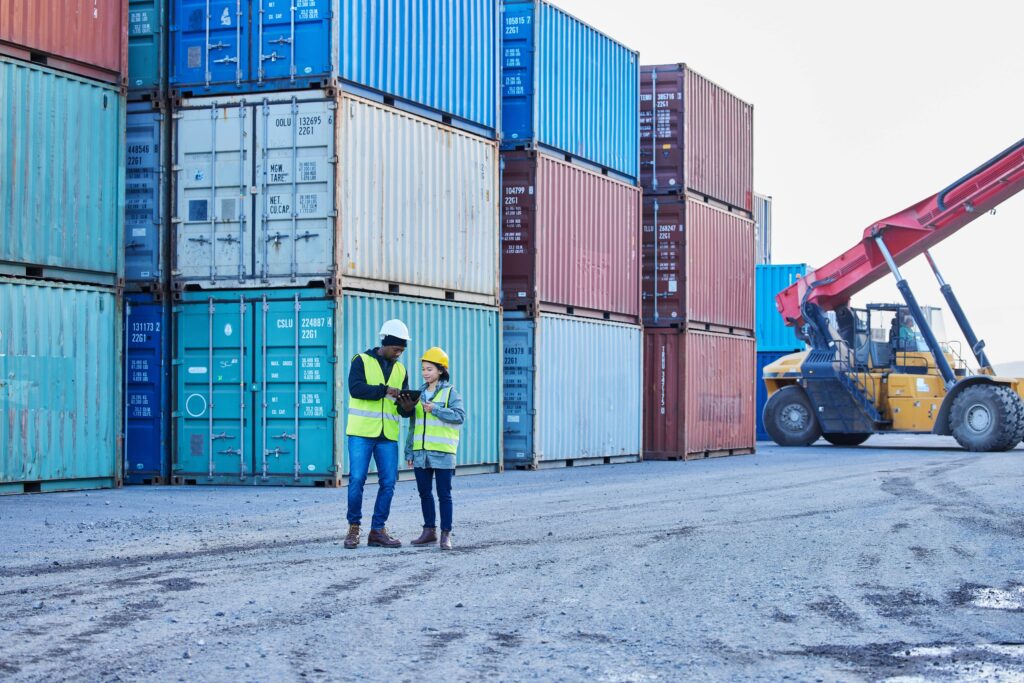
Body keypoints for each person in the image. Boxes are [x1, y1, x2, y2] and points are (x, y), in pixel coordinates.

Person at [344, 319, 417, 550]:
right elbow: (355, 389)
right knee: (356, 479)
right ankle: (354, 528)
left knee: (388, 482)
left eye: (402, 351)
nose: (399, 354)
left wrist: (407, 408)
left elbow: (399, 408)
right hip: (361, 433)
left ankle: (377, 530)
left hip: (388, 435)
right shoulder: (360, 360)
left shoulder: (401, 369)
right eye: (396, 349)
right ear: (385, 343)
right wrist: (384, 390)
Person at [406, 347, 465, 551]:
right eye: (423, 369)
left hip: (443, 453)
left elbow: (459, 416)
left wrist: (436, 410)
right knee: (424, 493)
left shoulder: (451, 392)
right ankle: (429, 531)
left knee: (444, 494)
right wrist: (410, 451)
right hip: (421, 453)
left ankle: (445, 534)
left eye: (429, 369)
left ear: (441, 370)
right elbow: (413, 425)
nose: (425, 373)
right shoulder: (419, 393)